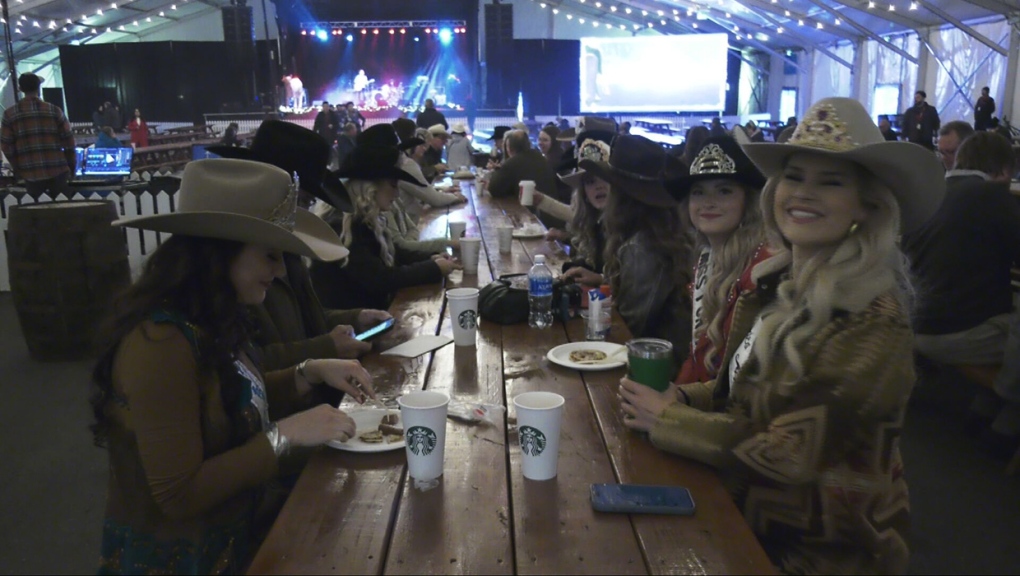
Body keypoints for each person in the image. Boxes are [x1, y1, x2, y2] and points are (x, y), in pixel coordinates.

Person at [619, 97, 946, 574]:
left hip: (820, 552)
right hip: (743, 511)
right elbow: (737, 385)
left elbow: (793, 453)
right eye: (794, 176)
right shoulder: (779, 282)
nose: (804, 193)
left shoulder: (874, 319)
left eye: (830, 182)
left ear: (866, 206)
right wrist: (684, 399)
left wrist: (670, 418)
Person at [91, 158, 376, 574]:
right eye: (271, 256)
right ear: (221, 252)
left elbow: (230, 398)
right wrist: (285, 435)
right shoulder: (160, 343)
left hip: (236, 536)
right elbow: (178, 493)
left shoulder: (210, 316)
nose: (279, 270)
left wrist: (308, 371)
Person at [206, 120, 390, 371]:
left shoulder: (284, 251)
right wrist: (326, 348)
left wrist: (355, 318)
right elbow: (247, 364)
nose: (304, 209)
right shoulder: (232, 262)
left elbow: (306, 318)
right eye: (302, 199)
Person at [901, 131, 1020, 455]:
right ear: (1005, 171)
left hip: (910, 325)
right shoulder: (995, 196)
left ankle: (984, 409)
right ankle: (1007, 420)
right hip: (954, 335)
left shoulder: (930, 192)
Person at [309, 124, 460, 310]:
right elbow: (379, 278)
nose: (397, 194)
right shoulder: (343, 224)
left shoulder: (360, 217)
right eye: (393, 185)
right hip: (353, 327)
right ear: (370, 188)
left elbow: (393, 251)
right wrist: (433, 268)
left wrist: (432, 258)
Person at [579, 134, 692, 368]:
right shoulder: (657, 233)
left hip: (655, 369)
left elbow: (628, 326)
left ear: (621, 196)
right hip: (663, 359)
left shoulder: (641, 246)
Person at [663, 136, 768, 385]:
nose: (709, 202)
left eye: (724, 190)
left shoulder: (762, 269)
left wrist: (674, 409)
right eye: (698, 192)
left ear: (747, 201)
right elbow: (699, 353)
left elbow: (744, 380)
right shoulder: (707, 256)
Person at [0, 73, 76, 197]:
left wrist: (17, 168)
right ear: (38, 87)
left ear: (20, 88)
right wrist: (72, 167)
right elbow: (69, 143)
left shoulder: (10, 114)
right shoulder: (54, 110)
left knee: (36, 213)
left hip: (30, 173)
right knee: (63, 212)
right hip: (58, 170)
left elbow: (6, 147)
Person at [486, 130, 558, 209]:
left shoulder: (512, 163)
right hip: (550, 211)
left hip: (531, 213)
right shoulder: (540, 157)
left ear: (509, 148)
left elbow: (494, 189)